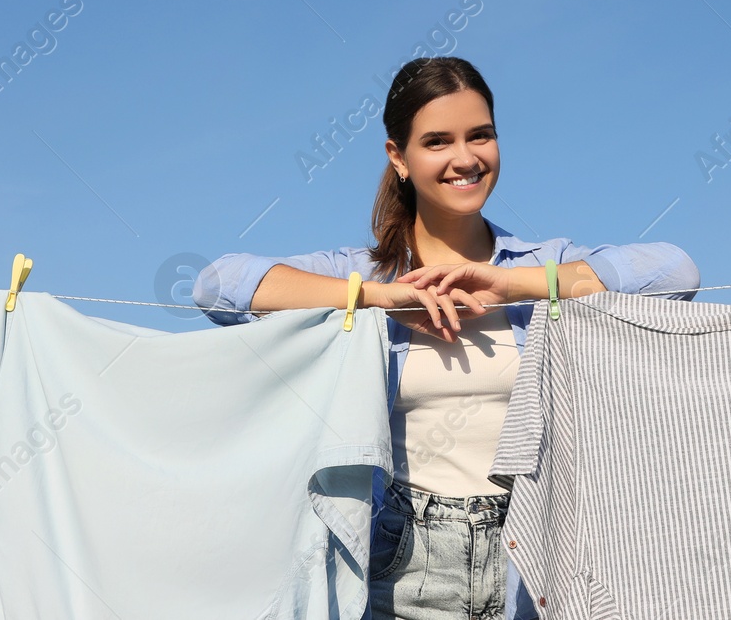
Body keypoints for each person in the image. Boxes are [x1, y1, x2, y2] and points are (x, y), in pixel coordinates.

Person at [194, 56, 699, 620]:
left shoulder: (544, 267)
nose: (466, 158)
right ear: (398, 158)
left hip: (535, 553)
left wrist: (510, 284)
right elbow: (218, 286)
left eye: (480, 136)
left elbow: (675, 275)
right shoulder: (362, 271)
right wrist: (379, 299)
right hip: (401, 558)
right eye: (437, 141)